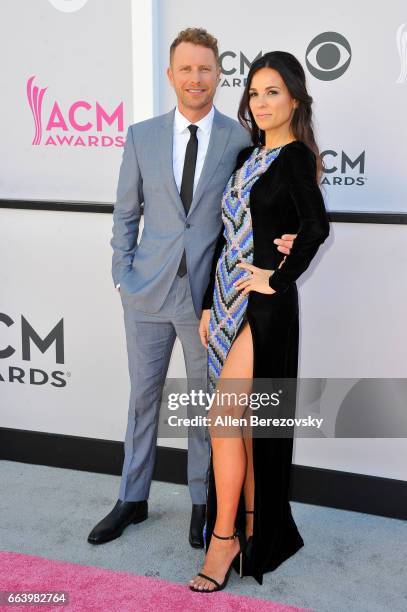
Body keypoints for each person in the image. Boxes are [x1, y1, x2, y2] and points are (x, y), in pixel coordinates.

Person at [87, 31, 296, 549]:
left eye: (206, 70)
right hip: (146, 293)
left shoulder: (239, 139)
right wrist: (122, 274)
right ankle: (132, 499)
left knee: (207, 407)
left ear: (217, 75)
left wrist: (290, 237)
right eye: (187, 69)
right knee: (143, 398)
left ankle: (203, 504)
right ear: (171, 75)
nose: (196, 79)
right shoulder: (141, 136)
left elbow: (264, 200)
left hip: (211, 302)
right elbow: (125, 213)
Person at [189, 51, 330, 592]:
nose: (262, 102)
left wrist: (278, 276)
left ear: (295, 98)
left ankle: (223, 538)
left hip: (262, 309)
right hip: (224, 300)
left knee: (226, 420)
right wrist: (207, 303)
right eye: (254, 93)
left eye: (273, 92)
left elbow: (316, 227)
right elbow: (228, 237)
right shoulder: (248, 155)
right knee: (241, 428)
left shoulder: (295, 157)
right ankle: (253, 526)